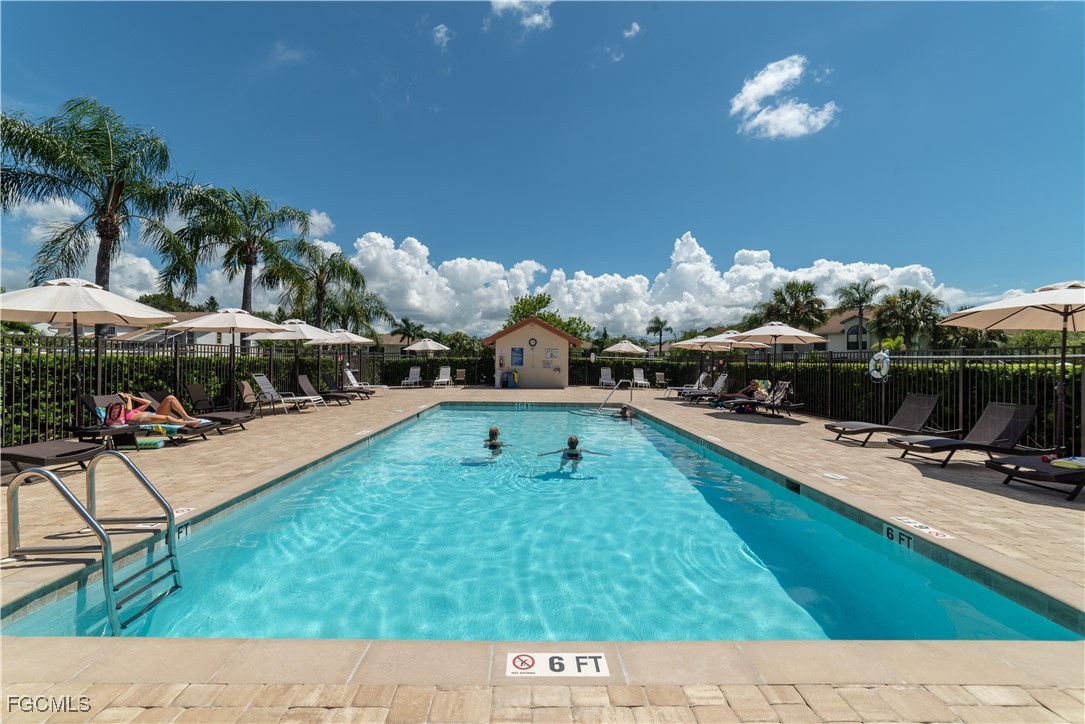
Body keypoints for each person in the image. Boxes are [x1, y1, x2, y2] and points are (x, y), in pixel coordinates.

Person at [119, 392, 205, 426]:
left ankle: (186, 417)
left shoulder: (136, 410)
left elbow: (148, 402)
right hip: (144, 419)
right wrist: (128, 398)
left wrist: (133, 397)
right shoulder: (122, 413)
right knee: (167, 418)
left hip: (154, 415)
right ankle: (186, 423)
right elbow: (129, 409)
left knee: (170, 398)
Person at [538, 435, 608, 471]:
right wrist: (604, 454)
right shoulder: (579, 450)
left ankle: (561, 468)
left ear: (568, 443)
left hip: (566, 457)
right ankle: (574, 468)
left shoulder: (565, 450)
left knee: (562, 462)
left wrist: (542, 454)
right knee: (576, 463)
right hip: (577, 457)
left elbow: (553, 452)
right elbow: (592, 452)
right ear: (577, 443)